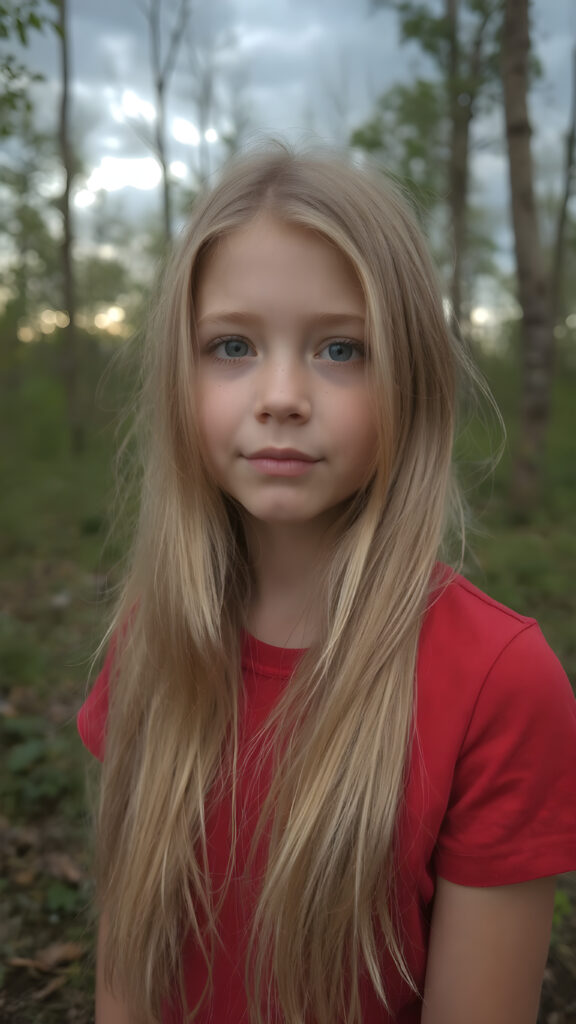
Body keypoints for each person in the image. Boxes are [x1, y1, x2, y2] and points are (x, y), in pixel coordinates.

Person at [78, 146, 576, 1024]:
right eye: (232, 346)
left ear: (411, 382)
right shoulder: (150, 640)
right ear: (178, 378)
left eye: (340, 349)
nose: (280, 396)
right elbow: (126, 976)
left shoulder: (501, 681)